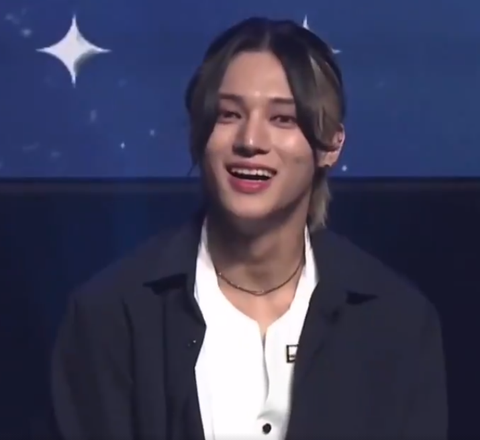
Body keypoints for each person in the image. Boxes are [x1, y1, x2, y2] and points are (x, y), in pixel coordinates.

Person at [46, 17, 447, 440]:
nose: (250, 140)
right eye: (229, 114)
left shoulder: (397, 322)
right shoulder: (110, 316)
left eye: (283, 118)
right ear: (199, 134)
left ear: (331, 144)